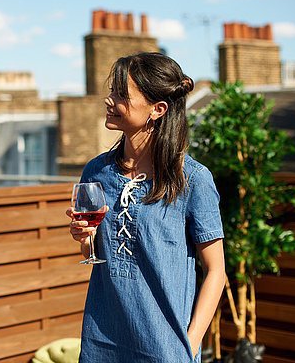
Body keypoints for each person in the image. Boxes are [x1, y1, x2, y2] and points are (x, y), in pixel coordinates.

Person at [68, 52, 225, 362]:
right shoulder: (96, 172)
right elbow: (94, 256)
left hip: (164, 350)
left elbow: (216, 271)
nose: (109, 100)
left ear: (158, 109)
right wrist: (83, 237)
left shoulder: (192, 179)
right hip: (102, 346)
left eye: (121, 94)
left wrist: (189, 344)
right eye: (111, 91)